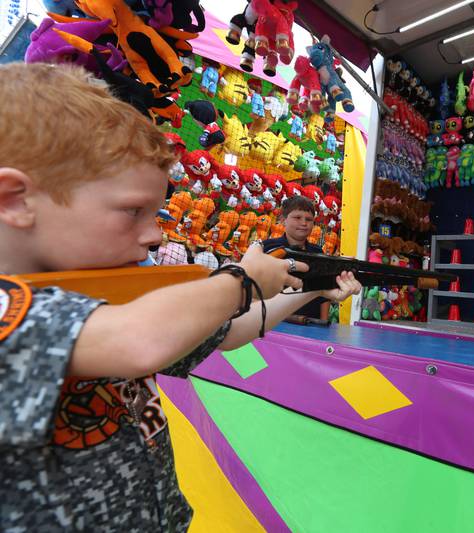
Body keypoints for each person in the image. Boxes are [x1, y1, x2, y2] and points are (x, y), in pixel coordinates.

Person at [0, 62, 361, 530]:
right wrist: (240, 279)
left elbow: (230, 332)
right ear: (16, 200)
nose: (154, 234)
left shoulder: (100, 295)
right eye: (133, 211)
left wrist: (312, 289)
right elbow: (136, 342)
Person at [261, 195, 331, 320]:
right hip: (273, 321)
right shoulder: (268, 248)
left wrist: (323, 322)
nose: (304, 223)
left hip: (311, 322)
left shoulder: (317, 251)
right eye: (297, 217)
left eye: (309, 219)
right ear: (283, 220)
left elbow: (324, 291)